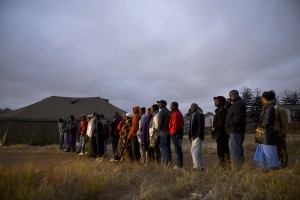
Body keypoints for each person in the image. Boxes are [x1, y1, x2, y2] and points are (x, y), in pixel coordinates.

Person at [254, 91, 280, 169]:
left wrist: (260, 127)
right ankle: (264, 167)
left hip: (267, 134)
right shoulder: (267, 107)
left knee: (269, 152)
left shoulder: (270, 107)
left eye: (262, 97)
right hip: (263, 134)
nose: (261, 99)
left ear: (265, 98)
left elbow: (267, 121)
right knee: (262, 151)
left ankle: (272, 168)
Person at [225, 90, 246, 168]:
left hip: (236, 129)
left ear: (236, 94)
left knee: (236, 148)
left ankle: (238, 166)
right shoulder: (234, 104)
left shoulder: (239, 103)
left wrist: (229, 123)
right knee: (233, 148)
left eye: (231, 95)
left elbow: (237, 117)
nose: (230, 97)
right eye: (229, 95)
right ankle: (238, 165)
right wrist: (227, 104)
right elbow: (230, 112)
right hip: (233, 129)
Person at [212, 96, 230, 167]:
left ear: (221, 102)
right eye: (215, 101)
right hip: (220, 134)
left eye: (216, 101)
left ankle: (224, 166)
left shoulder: (221, 110)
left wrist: (214, 128)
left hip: (221, 134)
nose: (215, 102)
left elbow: (221, 123)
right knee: (223, 151)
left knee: (222, 151)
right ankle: (225, 165)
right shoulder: (220, 110)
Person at [189, 103, 205, 171]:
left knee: (194, 151)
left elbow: (200, 126)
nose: (191, 108)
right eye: (191, 107)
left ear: (196, 107)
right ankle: (201, 166)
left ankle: (197, 167)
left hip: (197, 136)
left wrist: (198, 135)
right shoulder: (192, 115)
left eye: (192, 107)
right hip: (193, 136)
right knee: (197, 152)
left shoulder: (199, 115)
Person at [274, 96, 289, 168]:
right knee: (275, 150)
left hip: (279, 134)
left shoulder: (281, 110)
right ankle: (276, 164)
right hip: (272, 135)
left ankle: (284, 165)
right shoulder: (268, 110)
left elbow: (284, 122)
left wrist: (283, 133)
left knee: (282, 150)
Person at [169, 102, 184, 169]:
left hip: (176, 134)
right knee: (178, 149)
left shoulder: (176, 114)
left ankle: (179, 164)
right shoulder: (176, 113)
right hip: (176, 133)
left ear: (174, 106)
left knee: (178, 150)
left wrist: (171, 133)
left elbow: (175, 125)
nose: (170, 107)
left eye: (171, 105)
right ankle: (179, 163)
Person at [157, 100, 172, 166]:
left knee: (163, 148)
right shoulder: (169, 111)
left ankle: (166, 163)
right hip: (168, 131)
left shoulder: (162, 111)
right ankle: (169, 162)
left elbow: (160, 123)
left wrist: (158, 131)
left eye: (159, 103)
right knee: (168, 147)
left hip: (163, 131)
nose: (159, 105)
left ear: (163, 104)